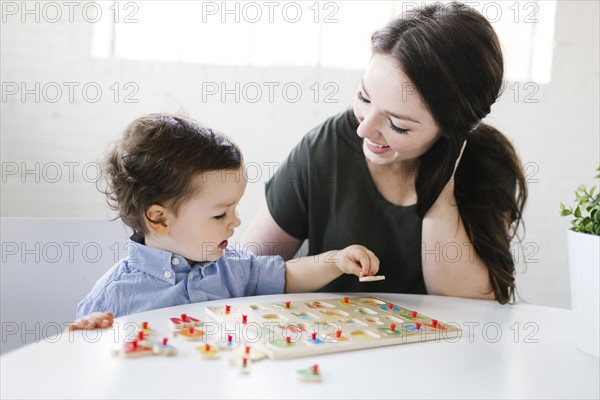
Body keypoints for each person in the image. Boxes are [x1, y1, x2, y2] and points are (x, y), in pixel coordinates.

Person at [241, 2, 527, 304]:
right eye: (364, 97)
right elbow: (240, 276)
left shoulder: (487, 163)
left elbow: (473, 311)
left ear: (451, 130)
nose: (363, 131)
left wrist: (441, 203)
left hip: (440, 350)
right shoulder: (325, 151)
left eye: (397, 125)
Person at [71, 113, 379, 330]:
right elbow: (82, 359)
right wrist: (89, 335)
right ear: (159, 218)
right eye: (220, 214)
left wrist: (336, 260)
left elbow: (288, 275)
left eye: (234, 209)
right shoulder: (115, 294)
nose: (235, 222)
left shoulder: (232, 267)